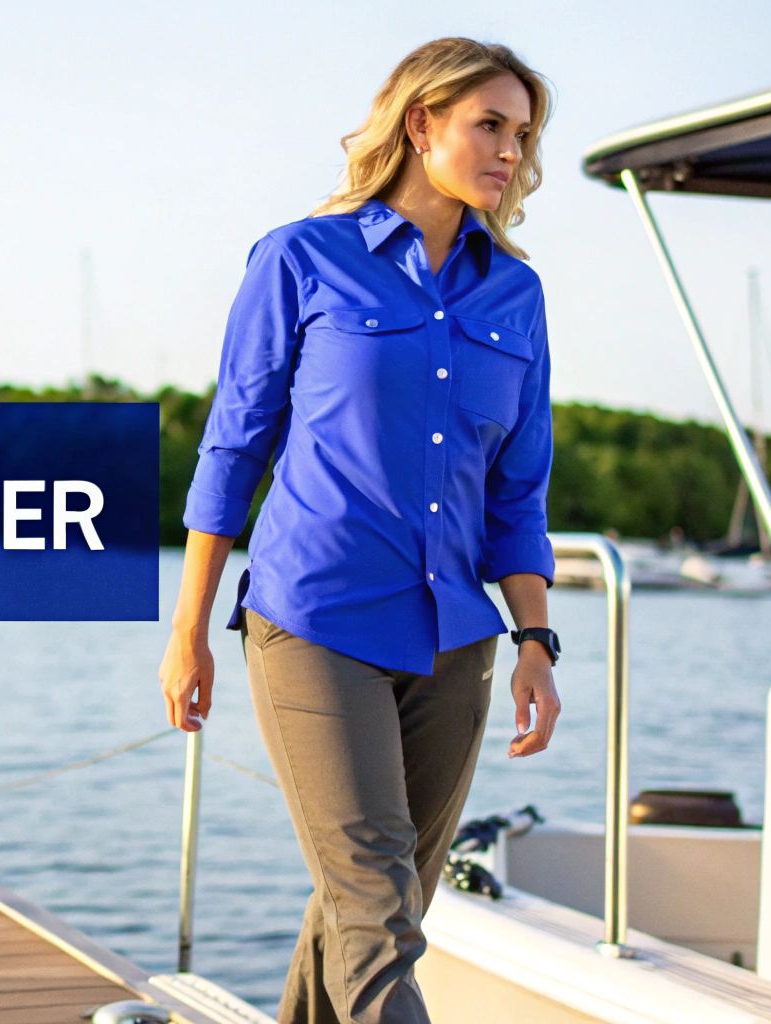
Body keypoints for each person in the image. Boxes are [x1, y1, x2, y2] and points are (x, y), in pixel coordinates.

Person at [157, 38, 562, 1024]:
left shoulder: (516, 295)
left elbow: (517, 493)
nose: (509, 152)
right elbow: (233, 447)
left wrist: (535, 644)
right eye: (488, 126)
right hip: (313, 617)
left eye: (520, 134)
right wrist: (189, 629)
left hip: (454, 639)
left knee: (372, 902)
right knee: (378, 913)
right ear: (419, 124)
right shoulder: (300, 257)